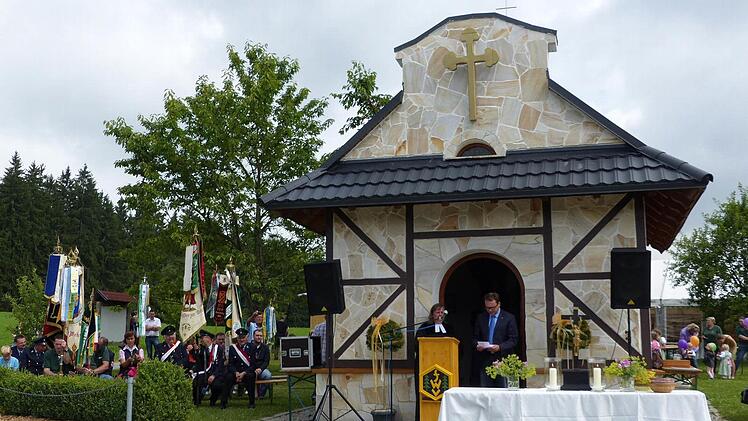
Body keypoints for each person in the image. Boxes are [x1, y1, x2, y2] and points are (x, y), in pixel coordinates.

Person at [473, 292, 518, 388]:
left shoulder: (509, 318)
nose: (489, 310)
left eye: (492, 307)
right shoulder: (481, 317)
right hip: (485, 360)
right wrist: (477, 345)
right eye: (487, 307)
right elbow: (475, 337)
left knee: (502, 390)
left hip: (502, 360)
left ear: (499, 304)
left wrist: (500, 347)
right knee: (486, 391)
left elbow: (513, 340)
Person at [192, 330, 227, 408]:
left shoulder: (218, 349)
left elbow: (220, 365)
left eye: (203, 338)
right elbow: (198, 361)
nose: (201, 340)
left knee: (217, 385)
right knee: (196, 381)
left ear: (209, 339)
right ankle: (197, 400)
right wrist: (196, 350)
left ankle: (213, 400)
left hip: (216, 373)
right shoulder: (202, 349)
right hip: (205, 372)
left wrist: (214, 375)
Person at [226, 328, 256, 409]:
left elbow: (253, 365)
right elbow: (231, 364)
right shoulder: (233, 348)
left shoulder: (252, 347)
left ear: (246, 337)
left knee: (251, 377)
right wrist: (235, 372)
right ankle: (224, 402)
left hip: (247, 372)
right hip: (236, 372)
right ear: (237, 338)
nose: (241, 340)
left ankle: (251, 403)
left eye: (243, 338)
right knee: (227, 377)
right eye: (239, 338)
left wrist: (244, 373)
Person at [248, 329, 272, 397]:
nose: (259, 337)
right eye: (257, 335)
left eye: (261, 336)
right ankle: (251, 393)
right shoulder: (248, 346)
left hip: (261, 369)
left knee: (268, 375)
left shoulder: (265, 347)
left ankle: (261, 394)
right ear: (253, 336)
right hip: (250, 369)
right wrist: (253, 369)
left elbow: (266, 361)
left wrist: (260, 369)